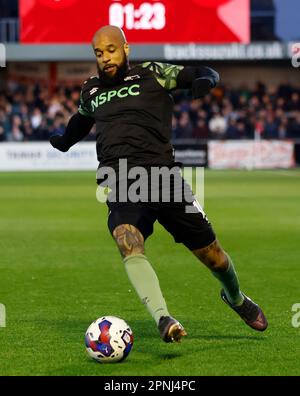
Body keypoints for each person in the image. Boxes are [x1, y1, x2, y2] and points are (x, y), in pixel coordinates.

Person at [50, 26, 268, 343]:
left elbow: (200, 72)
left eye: (111, 50)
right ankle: (163, 318)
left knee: (214, 256)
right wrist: (65, 141)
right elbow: (81, 120)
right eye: (99, 53)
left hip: (164, 178)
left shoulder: (152, 73)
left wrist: (205, 80)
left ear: (126, 48)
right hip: (121, 180)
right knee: (127, 241)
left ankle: (235, 297)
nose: (105, 57)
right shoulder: (91, 90)